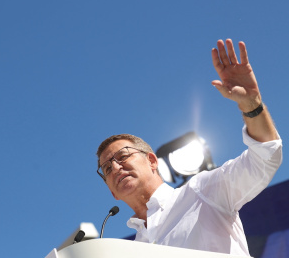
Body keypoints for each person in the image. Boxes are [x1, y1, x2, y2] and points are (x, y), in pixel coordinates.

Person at [96, 39, 283, 256]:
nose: (116, 168)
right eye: (107, 168)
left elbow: (265, 158)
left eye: (122, 156)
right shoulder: (132, 250)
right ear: (112, 192)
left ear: (152, 161)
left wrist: (252, 104)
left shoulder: (202, 191)